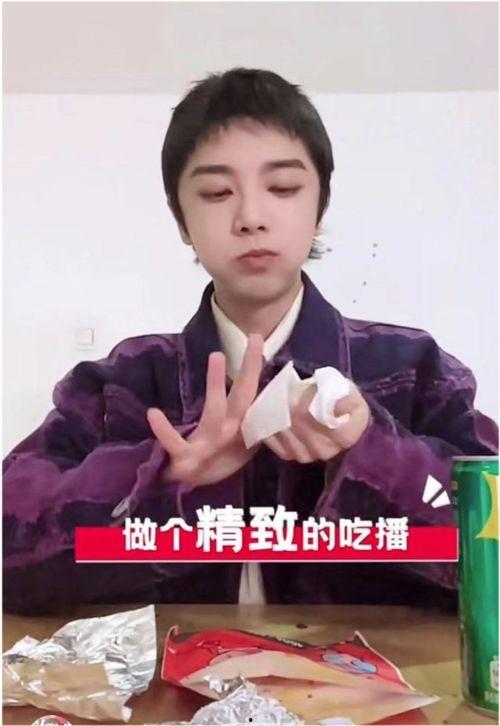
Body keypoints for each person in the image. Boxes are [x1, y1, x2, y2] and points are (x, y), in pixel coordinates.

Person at [3, 68, 497, 615]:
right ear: (182, 222)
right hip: (165, 672)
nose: (251, 218)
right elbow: (10, 553)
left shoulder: (412, 371)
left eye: (283, 188)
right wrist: (163, 479)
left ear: (319, 207)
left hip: (370, 672)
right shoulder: (120, 386)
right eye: (216, 192)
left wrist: (370, 450)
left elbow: (491, 546)